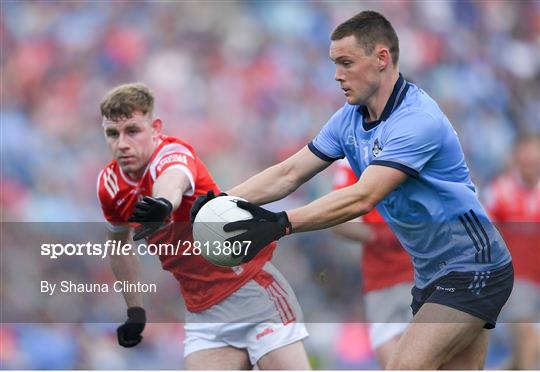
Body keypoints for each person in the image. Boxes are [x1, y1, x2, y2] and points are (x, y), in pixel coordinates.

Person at [190, 11, 513, 369]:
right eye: (334, 64)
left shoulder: (417, 120)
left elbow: (364, 196)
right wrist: (219, 199)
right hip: (431, 274)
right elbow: (289, 172)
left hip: (474, 266)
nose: (337, 75)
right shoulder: (349, 118)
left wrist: (281, 223)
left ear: (381, 59)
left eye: (346, 63)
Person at [96, 82, 310, 370]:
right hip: (203, 312)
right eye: (112, 133)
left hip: (251, 290)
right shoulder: (110, 186)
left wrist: (163, 203)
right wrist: (135, 310)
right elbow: (119, 247)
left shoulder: (172, 152)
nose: (122, 143)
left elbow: (173, 179)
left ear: (155, 128)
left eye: (132, 131)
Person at [331, 159, 413, 368]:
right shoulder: (352, 158)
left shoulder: (416, 141)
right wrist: (379, 236)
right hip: (382, 277)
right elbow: (336, 219)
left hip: (424, 273)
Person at [483, 134, 540, 369]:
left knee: (527, 351)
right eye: (525, 157)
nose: (530, 162)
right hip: (515, 282)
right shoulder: (499, 192)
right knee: (526, 337)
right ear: (516, 158)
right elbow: (486, 236)